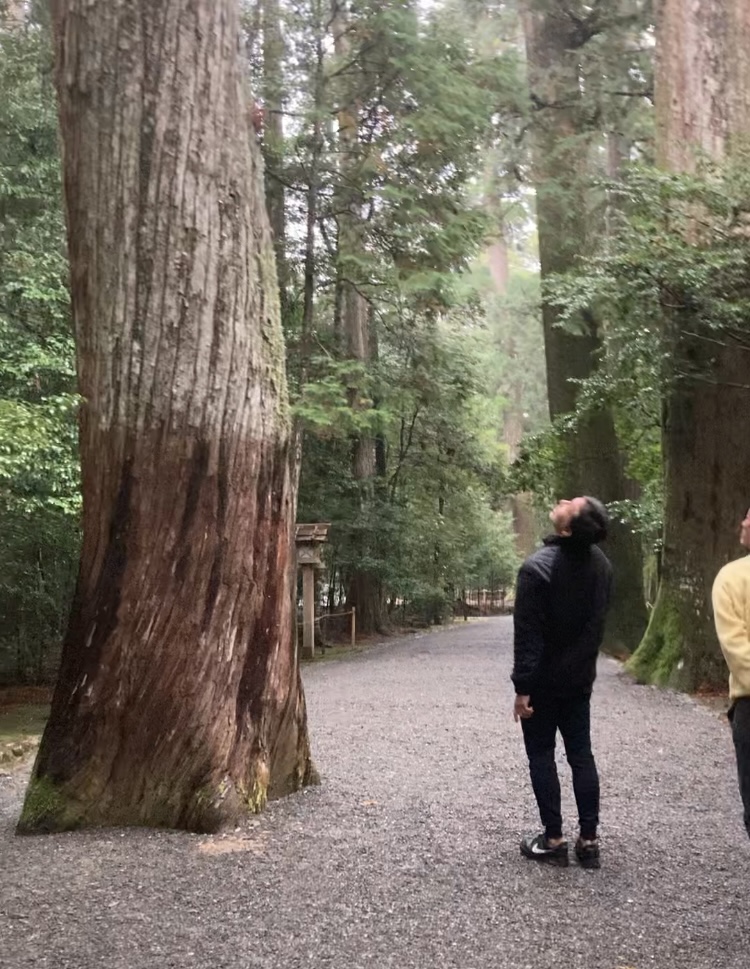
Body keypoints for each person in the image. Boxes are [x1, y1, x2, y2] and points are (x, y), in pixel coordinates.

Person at [511, 496, 612, 869]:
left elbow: (528, 637)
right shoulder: (602, 566)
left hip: (541, 684)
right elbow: (595, 630)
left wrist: (522, 689)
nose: (562, 500)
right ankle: (589, 841)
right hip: (579, 681)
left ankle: (553, 838)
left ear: (567, 528)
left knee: (541, 756)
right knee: (580, 754)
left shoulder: (537, 569)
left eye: (570, 504)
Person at [711, 506, 750, 840]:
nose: (743, 521)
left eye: (749, 517)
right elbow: (736, 646)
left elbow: (737, 648)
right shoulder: (734, 577)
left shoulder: (731, 577)